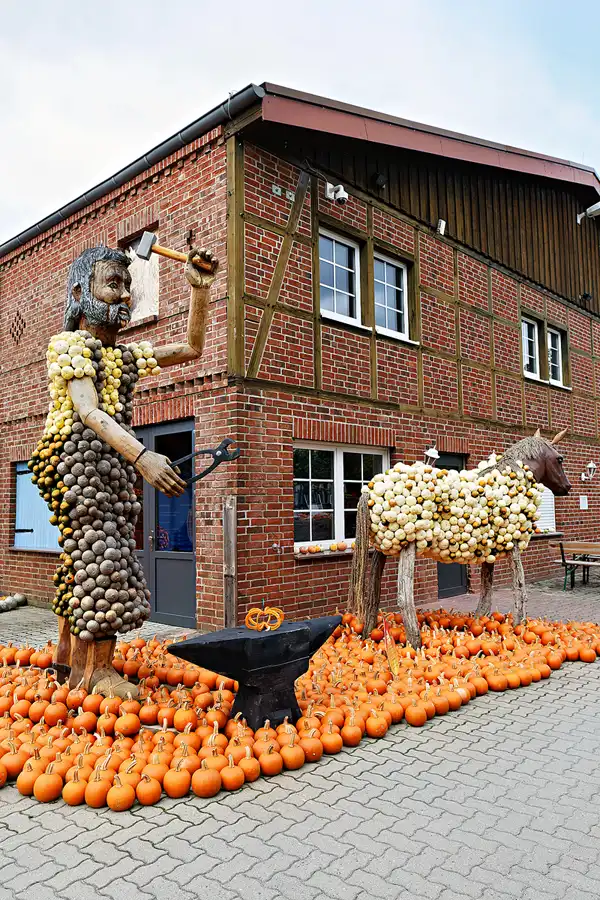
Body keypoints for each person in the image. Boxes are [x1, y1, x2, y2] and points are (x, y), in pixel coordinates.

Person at [29, 244, 218, 691]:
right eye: (112, 284)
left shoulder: (121, 357)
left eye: (127, 286)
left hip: (109, 462)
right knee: (104, 553)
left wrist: (199, 291)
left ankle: (68, 660)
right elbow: (89, 412)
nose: (123, 295)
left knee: (81, 557)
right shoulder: (72, 347)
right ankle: (97, 671)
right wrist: (143, 457)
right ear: (80, 292)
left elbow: (191, 348)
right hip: (74, 457)